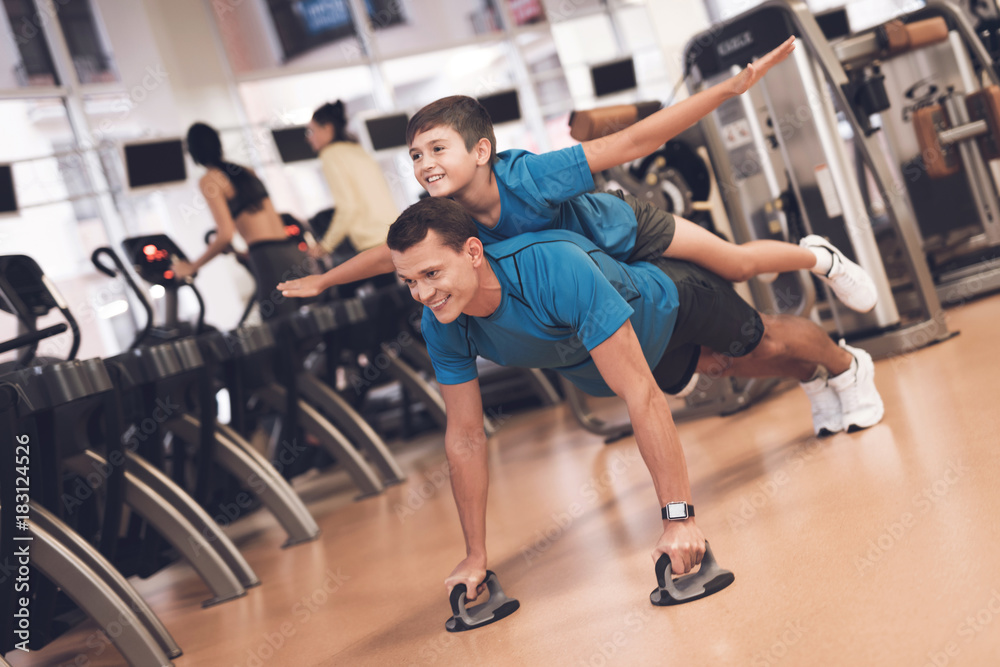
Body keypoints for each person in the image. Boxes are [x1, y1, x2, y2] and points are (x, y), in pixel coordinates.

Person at [280, 35, 874, 432]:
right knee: (719, 355)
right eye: (415, 155)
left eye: (438, 148)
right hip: (601, 273)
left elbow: (631, 144)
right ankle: (817, 368)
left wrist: (723, 92)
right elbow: (388, 255)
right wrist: (325, 280)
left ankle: (817, 257)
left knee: (741, 264)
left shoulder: (531, 176)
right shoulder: (439, 218)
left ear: (481, 150)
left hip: (627, 232)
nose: (425, 164)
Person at [386, 196, 884, 602]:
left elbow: (640, 395)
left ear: (473, 252)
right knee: (727, 365)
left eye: (432, 274)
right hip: (639, 351)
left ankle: (846, 366)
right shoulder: (442, 321)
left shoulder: (552, 268)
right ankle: (818, 378)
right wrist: (475, 555)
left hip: (669, 302)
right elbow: (466, 436)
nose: (423, 293)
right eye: (409, 281)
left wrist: (679, 520)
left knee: (762, 344)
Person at [176, 122, 314, 320]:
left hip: (267, 256)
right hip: (291, 251)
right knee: (308, 323)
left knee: (279, 328)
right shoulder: (246, 171)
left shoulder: (209, 180)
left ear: (193, 152)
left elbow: (225, 234)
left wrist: (192, 266)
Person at [305, 101, 399, 263]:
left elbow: (348, 206)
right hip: (393, 232)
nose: (309, 138)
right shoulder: (357, 149)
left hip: (372, 240)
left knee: (339, 284)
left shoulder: (330, 155)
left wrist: (325, 246)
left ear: (327, 128)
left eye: (311, 131)